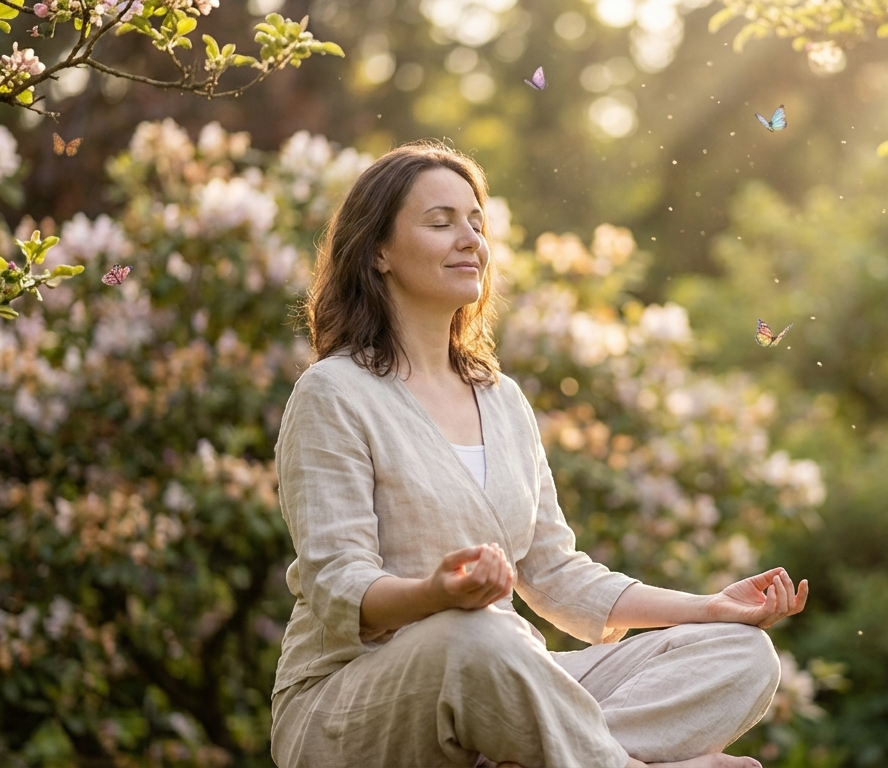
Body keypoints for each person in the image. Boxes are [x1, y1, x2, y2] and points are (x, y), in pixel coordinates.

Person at [270, 140, 810, 768]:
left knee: (738, 654)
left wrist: (710, 608)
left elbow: (557, 574)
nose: (470, 238)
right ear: (379, 251)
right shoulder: (334, 393)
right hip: (351, 704)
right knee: (473, 634)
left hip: (500, 673)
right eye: (441, 222)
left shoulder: (502, 400)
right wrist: (435, 593)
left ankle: (542, 753)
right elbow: (338, 586)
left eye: (476, 222)